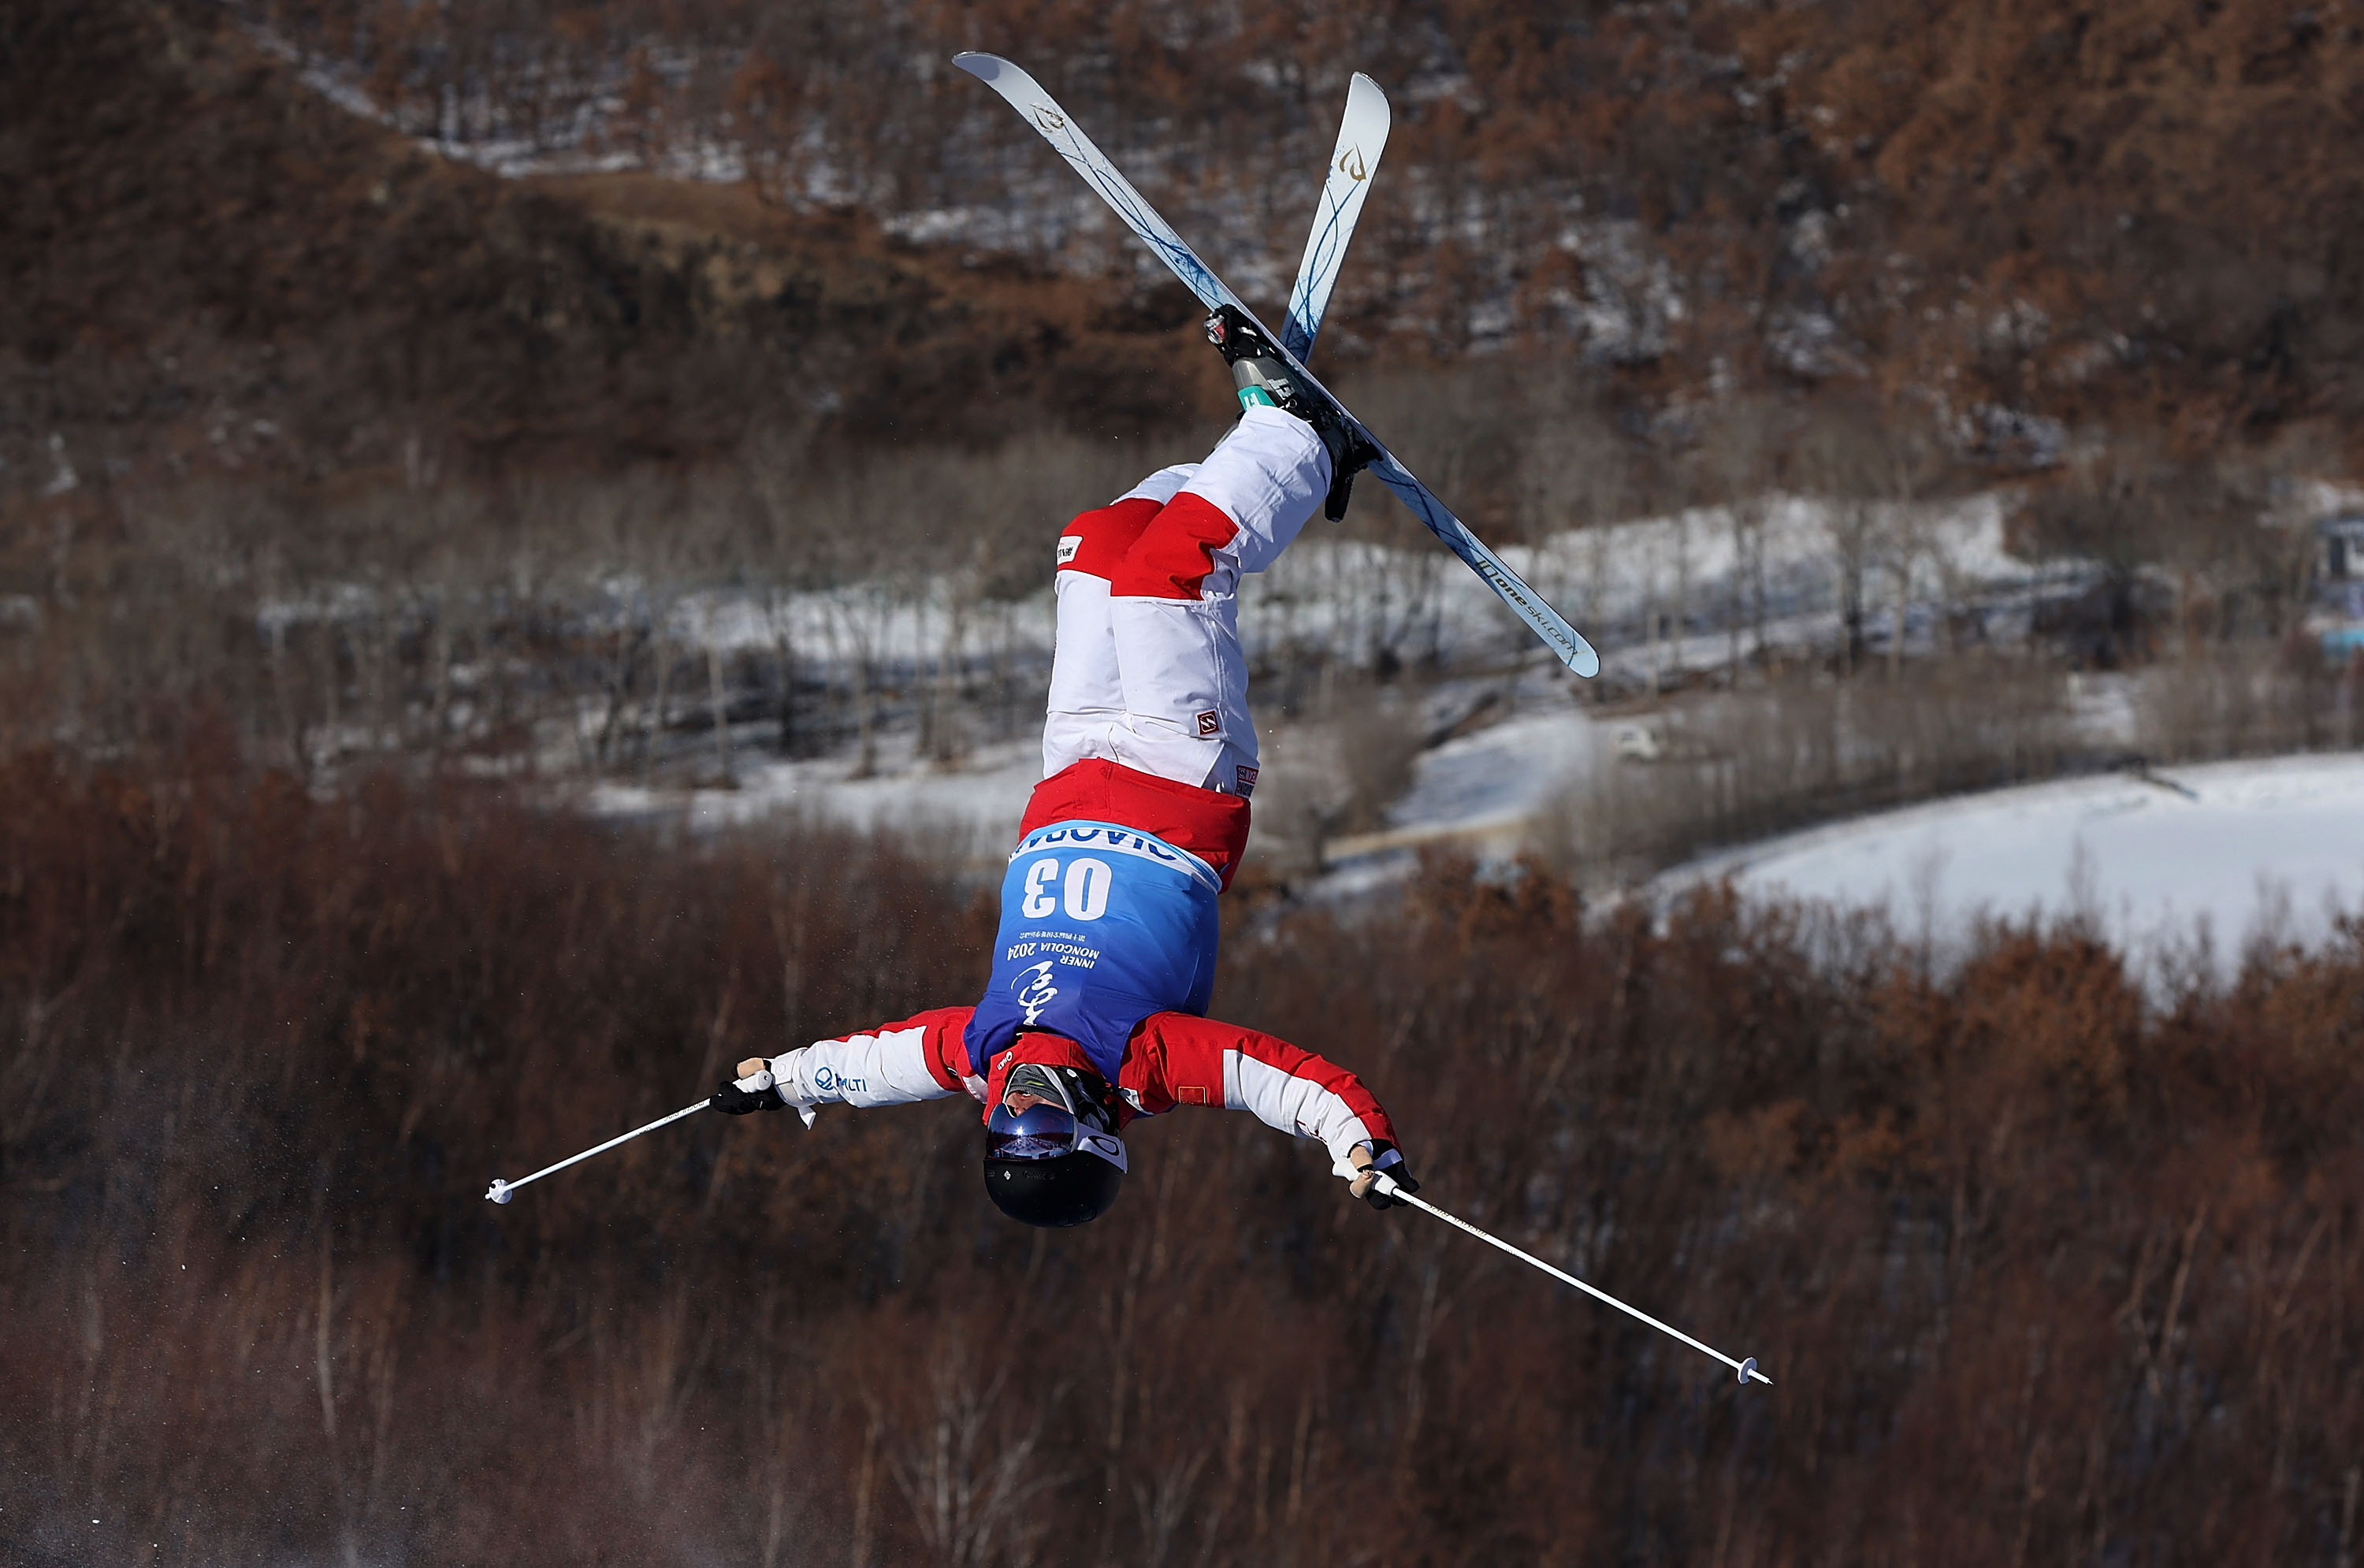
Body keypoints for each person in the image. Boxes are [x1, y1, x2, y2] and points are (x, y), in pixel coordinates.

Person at [712, 308, 1416, 1227]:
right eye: (1043, 1120)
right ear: (1093, 1125)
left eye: (1007, 1122)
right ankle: (1307, 438)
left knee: (1096, 551)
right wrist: (1360, 1141)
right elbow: (1281, 1080)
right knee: (1173, 575)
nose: (1020, 1101)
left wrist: (787, 1080)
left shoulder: (983, 1054)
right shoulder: (1146, 1062)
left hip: (1071, 772)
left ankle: (1260, 440)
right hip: (1177, 783)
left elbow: (877, 1063)